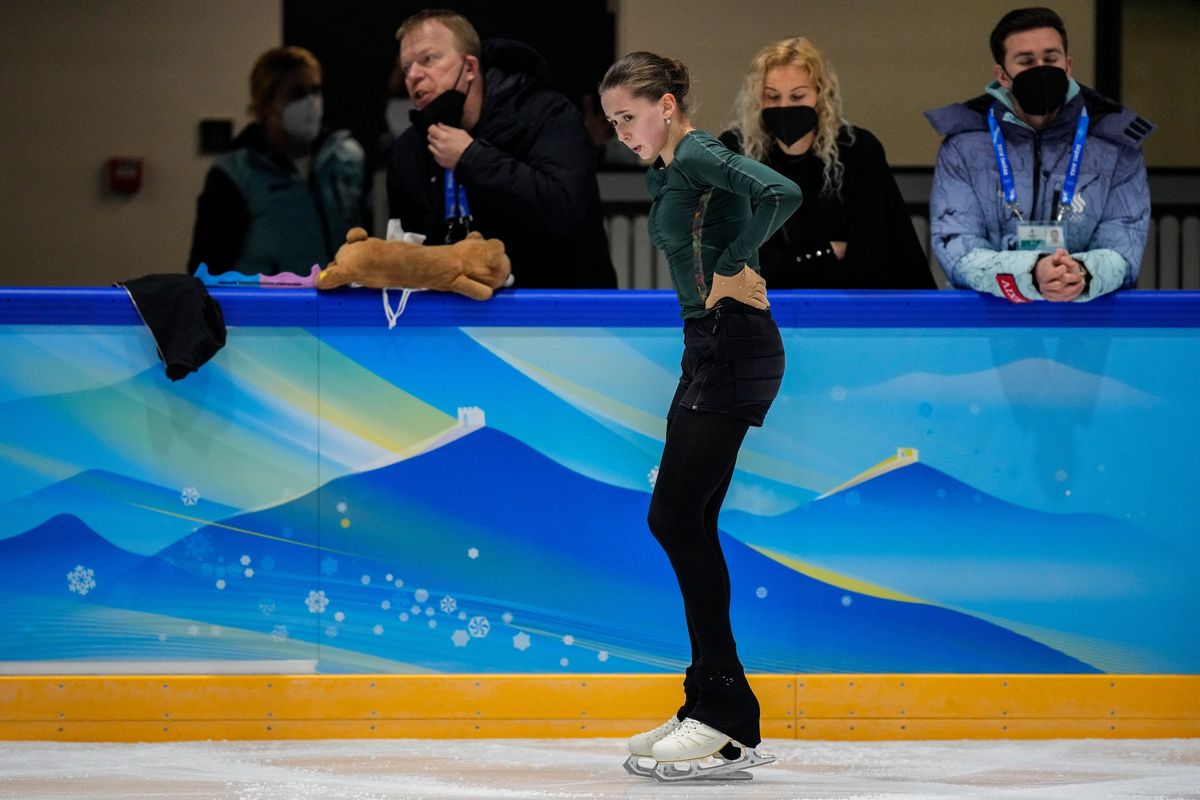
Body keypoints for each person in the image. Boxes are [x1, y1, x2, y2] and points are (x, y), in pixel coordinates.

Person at [599, 52, 800, 780]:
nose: (621, 133)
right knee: (684, 520)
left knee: (676, 519)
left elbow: (782, 190)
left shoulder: (700, 152)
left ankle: (720, 714)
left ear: (669, 104)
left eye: (629, 116)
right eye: (613, 121)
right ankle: (716, 707)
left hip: (735, 346)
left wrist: (734, 263)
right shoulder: (672, 167)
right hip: (708, 346)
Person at [926, 7, 1155, 302]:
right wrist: (1032, 273)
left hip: (1087, 324)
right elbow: (958, 249)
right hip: (990, 326)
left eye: (1050, 58)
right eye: (1026, 61)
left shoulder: (1115, 143)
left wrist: (1080, 274)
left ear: (1068, 65)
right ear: (1002, 75)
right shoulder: (963, 145)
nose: (1041, 68)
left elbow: (1124, 249)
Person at [387, 10, 616, 288]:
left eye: (428, 59)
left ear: (470, 68)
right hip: (459, 314)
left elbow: (563, 209)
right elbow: (409, 248)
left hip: (559, 308)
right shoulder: (408, 150)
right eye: (407, 66)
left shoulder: (547, 114)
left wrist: (472, 158)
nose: (413, 75)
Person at [721, 37, 935, 289]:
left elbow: (870, 255)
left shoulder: (857, 150)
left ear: (822, 96)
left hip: (847, 308)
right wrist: (826, 252)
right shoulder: (734, 151)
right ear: (758, 99)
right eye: (773, 97)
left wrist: (783, 264)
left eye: (798, 96)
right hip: (756, 308)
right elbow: (730, 259)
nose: (784, 107)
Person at [188, 46, 366, 277]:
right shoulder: (236, 174)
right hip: (270, 309)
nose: (311, 102)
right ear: (266, 104)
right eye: (297, 93)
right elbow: (206, 269)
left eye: (315, 90)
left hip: (341, 305)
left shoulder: (347, 158)